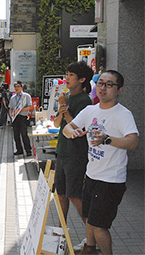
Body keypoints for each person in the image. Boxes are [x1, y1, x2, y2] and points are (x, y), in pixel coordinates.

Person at [63, 70, 139, 255]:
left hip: (111, 181)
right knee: (89, 219)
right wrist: (71, 132)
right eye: (100, 83)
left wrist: (107, 139)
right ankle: (89, 249)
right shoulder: (90, 111)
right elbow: (67, 128)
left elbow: (133, 142)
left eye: (109, 84)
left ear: (119, 90)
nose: (103, 87)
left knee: (99, 225)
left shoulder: (123, 114)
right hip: (91, 175)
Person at [53, 62, 93, 247]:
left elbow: (77, 129)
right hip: (62, 151)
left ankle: (93, 235)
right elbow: (57, 124)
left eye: (70, 75)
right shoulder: (67, 97)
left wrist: (65, 108)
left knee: (74, 195)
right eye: (66, 73)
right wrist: (62, 109)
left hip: (76, 154)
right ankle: (61, 232)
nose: (66, 78)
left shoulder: (84, 100)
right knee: (61, 193)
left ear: (82, 79)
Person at [9, 81, 32, 156]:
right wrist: (11, 115)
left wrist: (23, 110)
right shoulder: (12, 98)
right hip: (15, 117)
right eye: (15, 86)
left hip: (23, 117)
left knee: (24, 134)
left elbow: (30, 106)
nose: (16, 88)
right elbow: (11, 108)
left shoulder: (26, 96)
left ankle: (28, 150)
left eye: (18, 86)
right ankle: (19, 150)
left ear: (22, 87)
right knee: (16, 135)